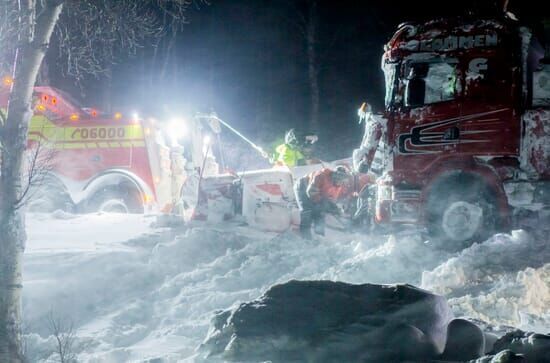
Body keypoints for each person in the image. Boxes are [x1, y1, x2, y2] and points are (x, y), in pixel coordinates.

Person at [294, 166, 352, 239]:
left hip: (317, 194)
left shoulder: (338, 187)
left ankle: (319, 236)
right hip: (302, 187)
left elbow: (330, 200)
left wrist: (333, 208)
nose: (339, 181)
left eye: (342, 179)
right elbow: (311, 192)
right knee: (307, 211)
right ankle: (305, 237)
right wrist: (323, 203)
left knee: (320, 213)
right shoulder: (321, 176)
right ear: (335, 175)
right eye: (339, 177)